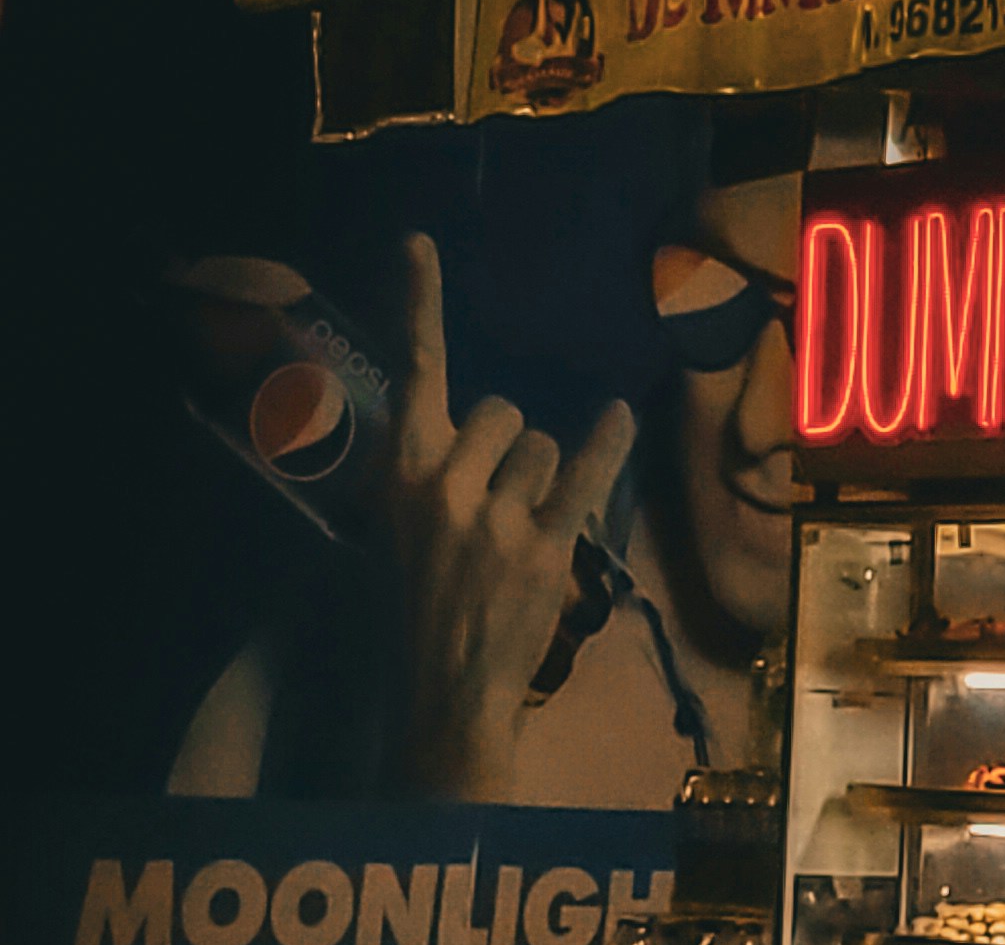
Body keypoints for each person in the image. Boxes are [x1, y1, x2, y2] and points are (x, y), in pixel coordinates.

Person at [170, 130, 801, 807]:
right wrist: (447, 762)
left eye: (848, 335)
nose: (759, 425)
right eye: (711, 294)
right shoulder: (319, 675)